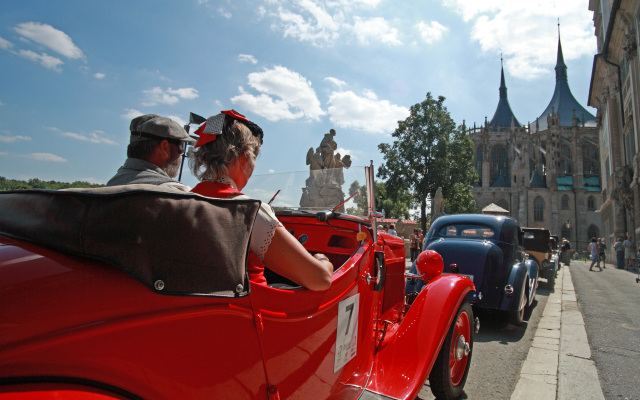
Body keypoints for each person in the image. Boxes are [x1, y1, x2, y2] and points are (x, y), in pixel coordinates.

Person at [189, 110, 333, 291]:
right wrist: (322, 260)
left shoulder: (182, 199)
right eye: (254, 157)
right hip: (251, 312)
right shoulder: (250, 212)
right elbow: (321, 279)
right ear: (243, 158)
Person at [107, 114, 195, 191]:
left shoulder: (107, 188)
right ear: (165, 147)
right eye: (181, 148)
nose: (181, 154)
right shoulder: (177, 194)